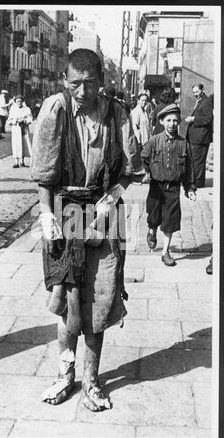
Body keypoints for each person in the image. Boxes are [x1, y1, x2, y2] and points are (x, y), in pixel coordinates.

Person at [31, 48, 143, 411]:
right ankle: (65, 376)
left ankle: (92, 380)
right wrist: (47, 219)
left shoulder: (118, 115)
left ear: (102, 82)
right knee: (67, 303)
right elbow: (44, 177)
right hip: (64, 212)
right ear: (66, 80)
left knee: (101, 298)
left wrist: (108, 204)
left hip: (105, 211)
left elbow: (130, 171)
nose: (82, 91)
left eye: (90, 83)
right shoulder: (55, 110)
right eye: (75, 83)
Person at [141, 103, 196, 266]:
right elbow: (143, 159)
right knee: (153, 216)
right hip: (156, 187)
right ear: (162, 122)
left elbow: (189, 169)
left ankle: (165, 252)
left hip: (173, 188)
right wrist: (146, 173)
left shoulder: (183, 144)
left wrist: (190, 188)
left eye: (175, 121)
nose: (172, 124)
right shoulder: (154, 141)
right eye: (169, 120)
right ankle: (151, 231)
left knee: (170, 221)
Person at [185, 83, 213, 188]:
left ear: (203, 90)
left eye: (197, 92)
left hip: (201, 138)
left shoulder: (206, 102)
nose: (195, 94)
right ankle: (197, 182)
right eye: (193, 92)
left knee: (198, 162)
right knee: (196, 161)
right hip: (197, 138)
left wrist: (193, 119)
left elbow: (208, 119)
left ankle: (196, 183)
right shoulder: (201, 101)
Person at [7, 95, 33, 168]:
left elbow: (30, 118)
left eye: (20, 101)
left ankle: (22, 161)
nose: (19, 103)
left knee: (24, 144)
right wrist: (15, 120)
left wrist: (25, 120)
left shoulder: (27, 109)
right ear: (15, 102)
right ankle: (16, 162)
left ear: (22, 101)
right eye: (17, 101)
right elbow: (9, 120)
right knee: (16, 144)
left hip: (24, 129)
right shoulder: (13, 109)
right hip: (16, 129)